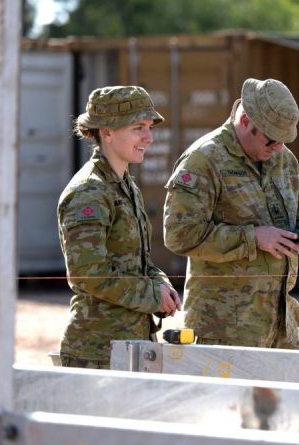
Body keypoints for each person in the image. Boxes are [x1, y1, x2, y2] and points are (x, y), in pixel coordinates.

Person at [163, 78, 299, 349]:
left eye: (284, 141)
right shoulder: (204, 160)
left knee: (284, 393)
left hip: (280, 328)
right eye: (272, 139)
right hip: (225, 329)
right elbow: (179, 235)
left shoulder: (284, 160)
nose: (279, 149)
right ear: (246, 120)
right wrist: (253, 238)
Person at [58, 85, 182, 369]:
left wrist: (159, 280)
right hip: (98, 352)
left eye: (149, 127)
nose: (149, 137)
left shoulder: (125, 186)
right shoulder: (90, 191)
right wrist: (152, 295)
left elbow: (134, 260)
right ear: (107, 132)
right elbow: (88, 275)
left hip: (131, 345)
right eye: (138, 127)